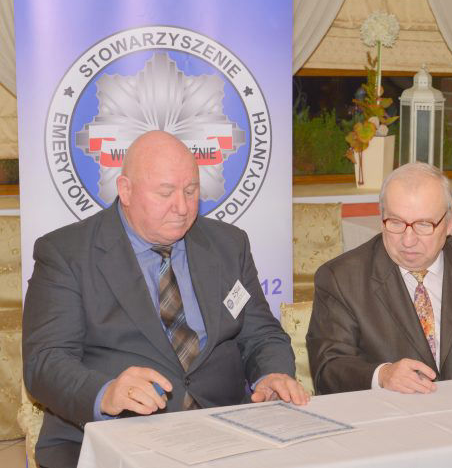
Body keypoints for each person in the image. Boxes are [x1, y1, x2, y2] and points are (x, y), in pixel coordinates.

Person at [22, 131, 308, 468]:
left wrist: (271, 374)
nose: (182, 207)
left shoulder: (229, 245)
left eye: (191, 191)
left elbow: (261, 334)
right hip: (109, 437)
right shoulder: (67, 253)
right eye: (165, 192)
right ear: (126, 190)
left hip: (225, 431)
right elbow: (46, 361)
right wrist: (105, 392)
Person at [307, 162, 452, 395]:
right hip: (388, 411)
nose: (408, 240)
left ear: (449, 224)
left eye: (424, 225)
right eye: (396, 222)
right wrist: (383, 375)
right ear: (381, 219)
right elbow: (328, 368)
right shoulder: (342, 279)